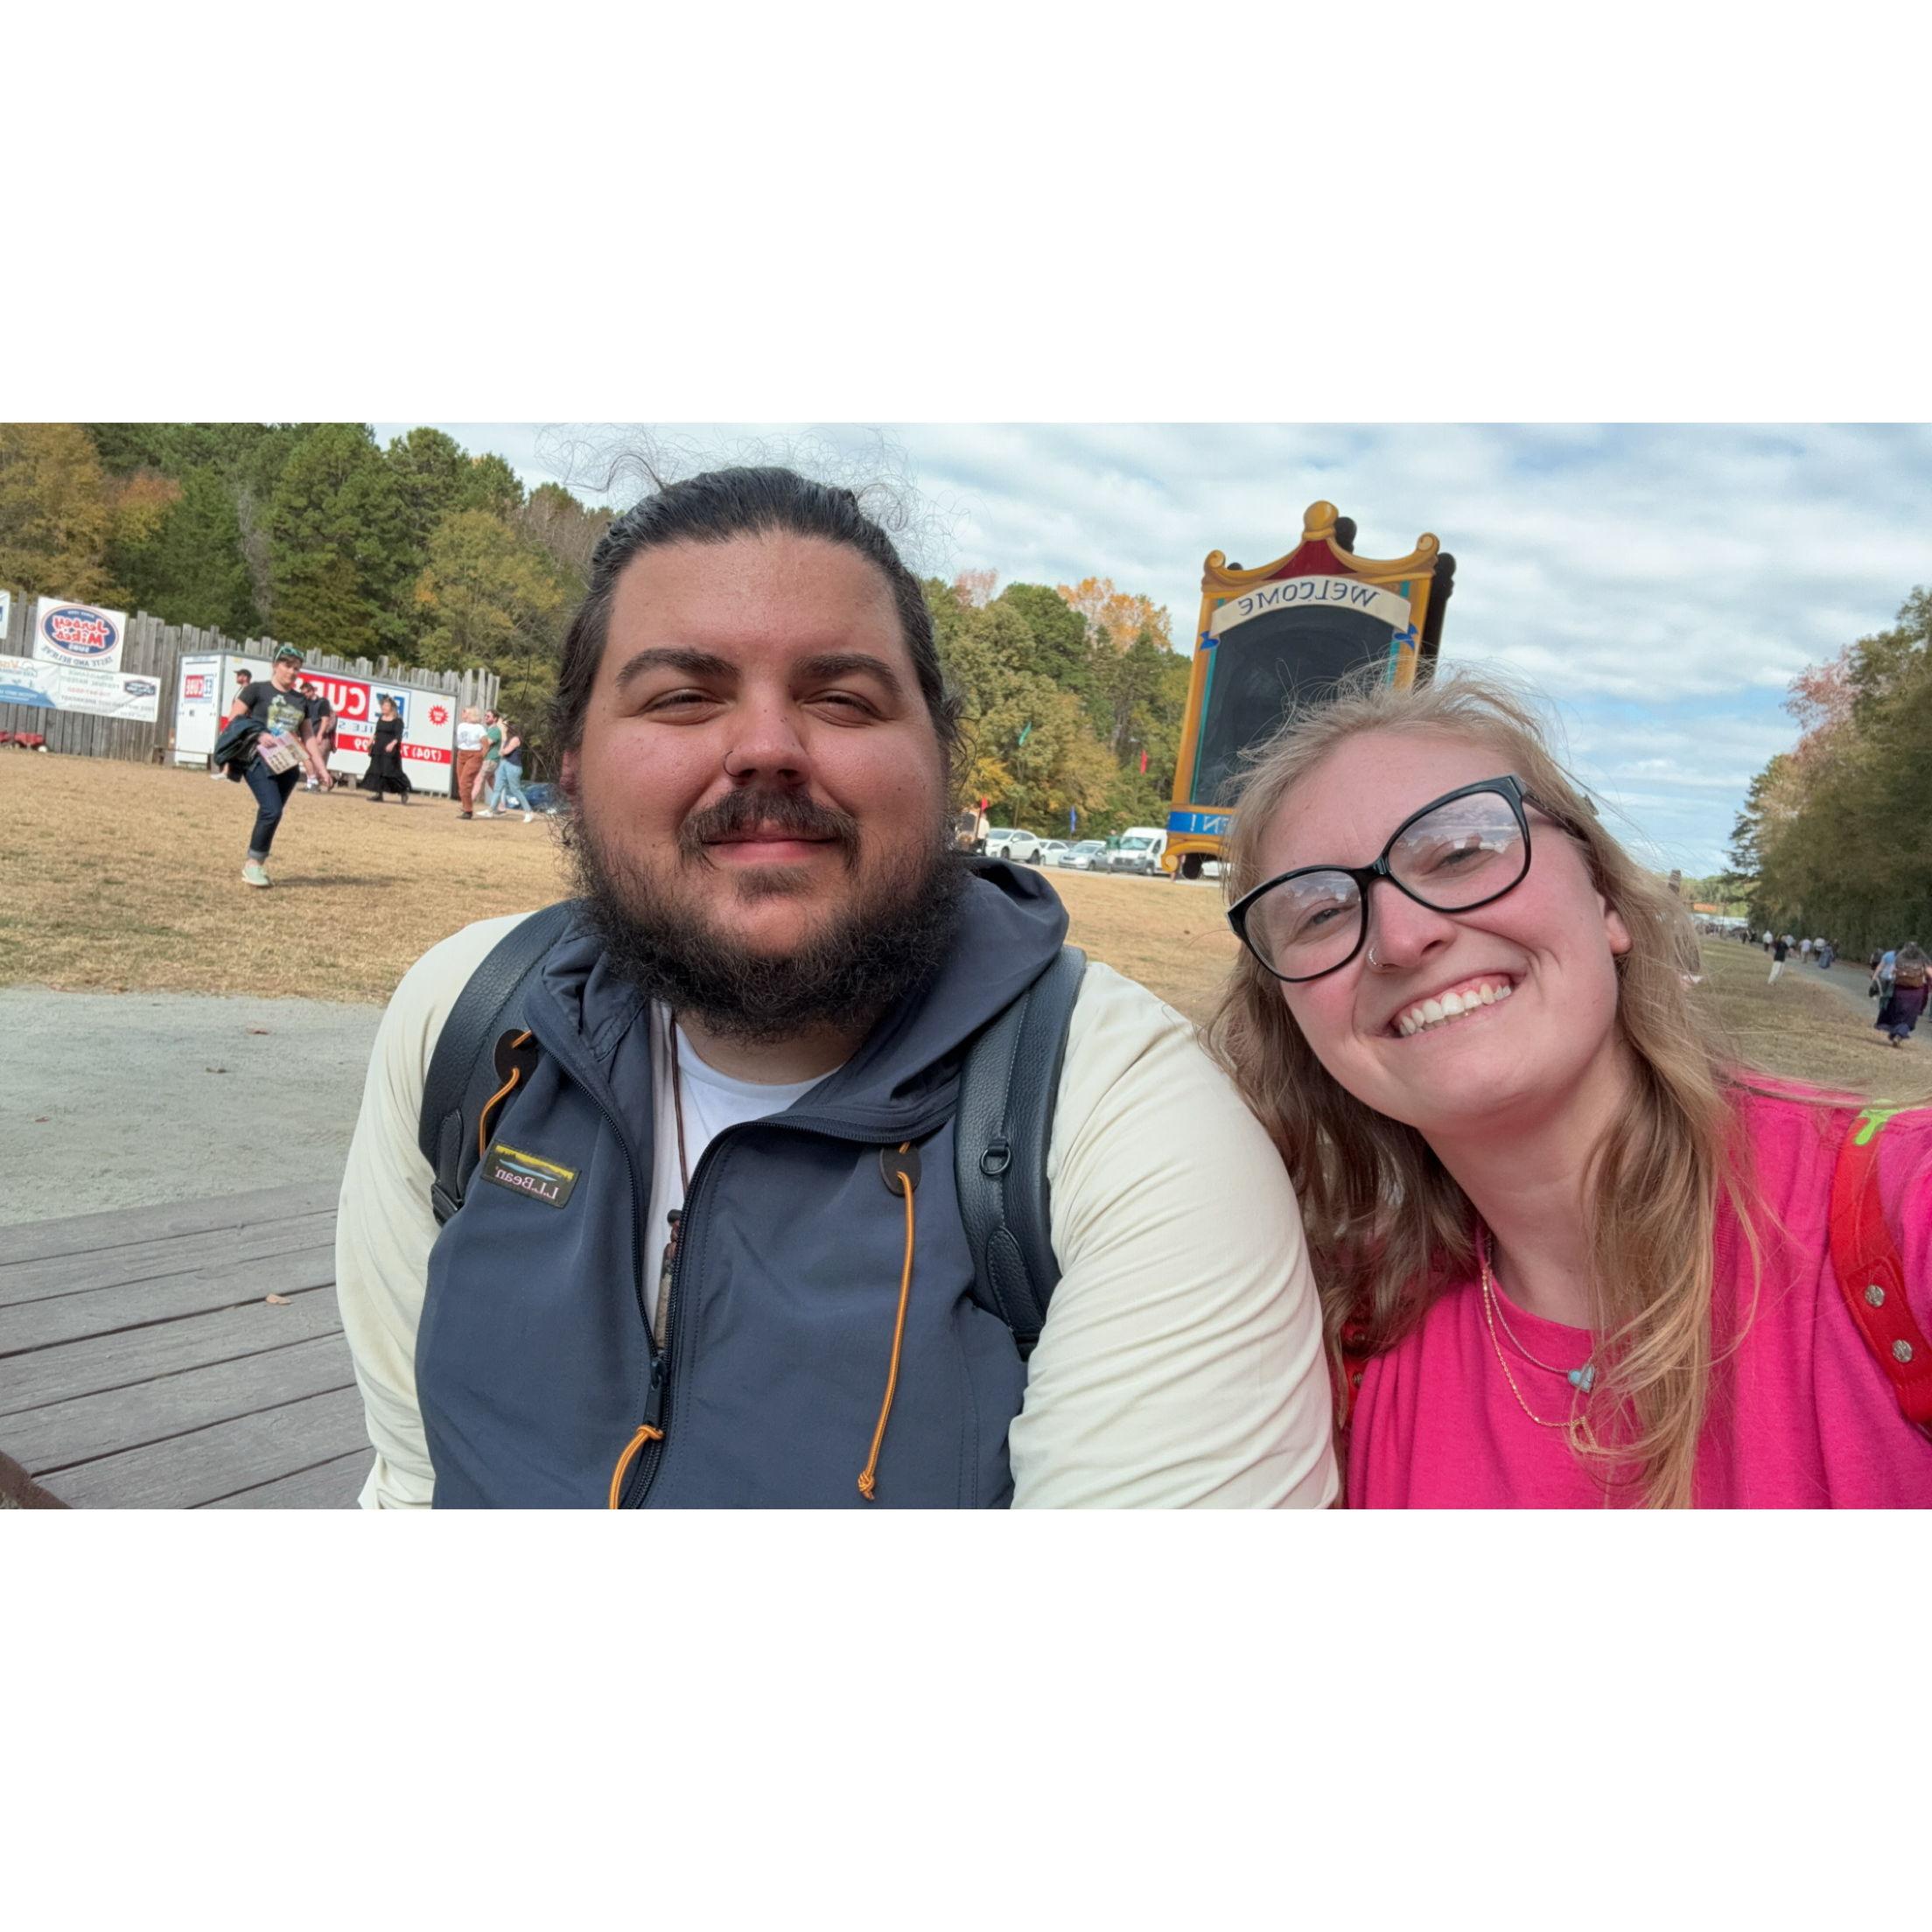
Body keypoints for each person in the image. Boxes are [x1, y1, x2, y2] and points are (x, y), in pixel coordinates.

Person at [335, 466, 1338, 1509]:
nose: (767, 747)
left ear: (941, 761)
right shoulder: (470, 1020)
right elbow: (415, 1482)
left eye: (842, 699)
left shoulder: (1123, 1124)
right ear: (574, 761)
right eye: (683, 697)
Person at [1207, 668, 1932, 1508]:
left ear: (1606, 899)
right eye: (1321, 912)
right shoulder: (1329, 1337)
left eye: (1459, 851)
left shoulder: (1896, 1215)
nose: (1401, 937)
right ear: (1291, 1011)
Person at [226, 645, 327, 887]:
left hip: (287, 766)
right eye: (287, 666)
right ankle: (253, 865)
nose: (292, 672)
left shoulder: (301, 700)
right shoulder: (256, 690)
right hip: (257, 758)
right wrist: (259, 734)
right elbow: (234, 719)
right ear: (275, 665)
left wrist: (321, 768)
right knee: (272, 810)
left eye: (297, 668)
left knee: (271, 813)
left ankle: (257, 864)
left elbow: (309, 737)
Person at [358, 694, 413, 804]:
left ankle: (403, 791)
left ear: (391, 707)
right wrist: (370, 741)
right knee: (377, 771)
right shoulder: (381, 718)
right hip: (378, 749)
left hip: (390, 751)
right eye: (383, 706)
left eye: (386, 706)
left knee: (391, 772)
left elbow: (398, 736)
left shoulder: (397, 721)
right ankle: (379, 794)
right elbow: (377, 732)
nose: (383, 708)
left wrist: (392, 744)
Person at [1875, 944, 1928, 1049]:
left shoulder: (1899, 959)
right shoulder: (1922, 961)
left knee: (1898, 1014)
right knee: (1910, 1016)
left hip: (1900, 991)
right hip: (1916, 993)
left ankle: (1895, 1033)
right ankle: (1899, 1034)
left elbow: (1891, 974)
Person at [483, 717, 536, 822]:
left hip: (513, 767)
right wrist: (503, 742)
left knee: (515, 790)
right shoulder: (507, 738)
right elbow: (500, 752)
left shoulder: (516, 739)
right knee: (498, 788)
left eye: (505, 726)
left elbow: (505, 752)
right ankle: (491, 810)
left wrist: (502, 741)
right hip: (504, 763)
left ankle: (529, 812)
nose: (503, 727)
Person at [300, 679, 337, 792]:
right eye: (303, 693)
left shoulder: (322, 702)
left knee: (317, 762)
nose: (304, 695)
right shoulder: (304, 703)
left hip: (320, 736)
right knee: (308, 761)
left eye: (306, 692)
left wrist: (320, 735)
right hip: (308, 736)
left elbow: (325, 720)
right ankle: (312, 783)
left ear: (312, 691)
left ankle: (318, 784)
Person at [453, 706, 489, 818]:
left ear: (470, 714)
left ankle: (468, 811)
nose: (462, 713)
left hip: (474, 755)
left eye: (465, 711)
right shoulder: (461, 725)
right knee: (461, 783)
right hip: (461, 754)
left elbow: (486, 745)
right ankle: (465, 808)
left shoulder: (480, 728)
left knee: (465, 782)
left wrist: (480, 757)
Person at [474, 709, 504, 817]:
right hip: (489, 759)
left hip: (491, 760)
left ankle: (467, 805)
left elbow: (487, 743)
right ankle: (501, 807)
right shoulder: (488, 730)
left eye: (488, 716)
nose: (486, 717)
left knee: (478, 780)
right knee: (492, 783)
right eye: (485, 716)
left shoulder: (495, 731)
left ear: (495, 718)